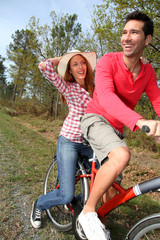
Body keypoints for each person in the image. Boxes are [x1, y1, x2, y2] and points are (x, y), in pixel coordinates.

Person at [79, 11, 160, 240]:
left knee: (113, 184)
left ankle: (100, 218)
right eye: (124, 32)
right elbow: (105, 96)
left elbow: (158, 102)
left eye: (134, 32)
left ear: (147, 39)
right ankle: (87, 213)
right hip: (95, 118)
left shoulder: (148, 72)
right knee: (121, 156)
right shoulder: (108, 61)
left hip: (116, 128)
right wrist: (140, 122)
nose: (126, 37)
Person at [30, 50, 97, 229]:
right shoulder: (68, 87)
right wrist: (65, 58)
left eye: (83, 63)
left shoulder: (96, 89)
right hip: (69, 141)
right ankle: (40, 204)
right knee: (66, 195)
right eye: (75, 64)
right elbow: (44, 66)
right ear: (70, 70)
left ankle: (84, 208)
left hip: (90, 144)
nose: (80, 67)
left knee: (107, 177)